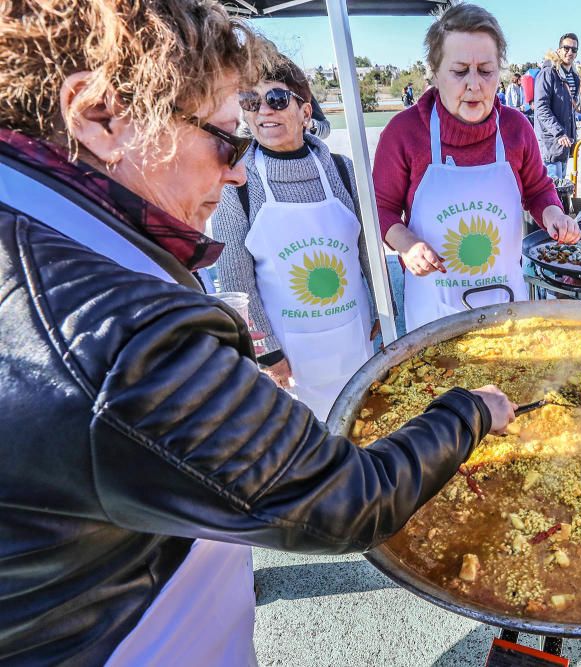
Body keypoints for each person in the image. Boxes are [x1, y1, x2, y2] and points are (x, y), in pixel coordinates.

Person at [0, 0, 519, 663]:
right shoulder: (119, 338)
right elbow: (342, 498)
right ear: (99, 116)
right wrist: (469, 409)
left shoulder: (35, 222)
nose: (240, 167)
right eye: (225, 135)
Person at [374, 4, 581, 333]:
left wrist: (553, 214)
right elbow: (381, 210)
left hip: (506, 303)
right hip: (435, 310)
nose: (474, 84)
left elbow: (538, 189)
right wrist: (406, 244)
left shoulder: (516, 128)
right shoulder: (403, 133)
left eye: (486, 70)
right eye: (459, 71)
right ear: (435, 72)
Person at [213, 55, 376, 419]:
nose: (263, 112)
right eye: (250, 102)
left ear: (305, 111)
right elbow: (235, 278)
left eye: (276, 99)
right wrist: (267, 351)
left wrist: (382, 306)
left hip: (354, 332)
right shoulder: (239, 183)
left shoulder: (341, 170)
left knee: (363, 423)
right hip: (290, 357)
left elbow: (365, 248)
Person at [533, 32, 581, 180]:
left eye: (574, 49)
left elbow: (569, 113)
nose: (570, 52)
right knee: (550, 191)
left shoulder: (574, 77)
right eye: (566, 48)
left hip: (564, 145)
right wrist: (559, 133)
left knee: (561, 191)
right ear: (559, 50)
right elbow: (541, 108)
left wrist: (573, 138)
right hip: (550, 144)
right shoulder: (548, 73)